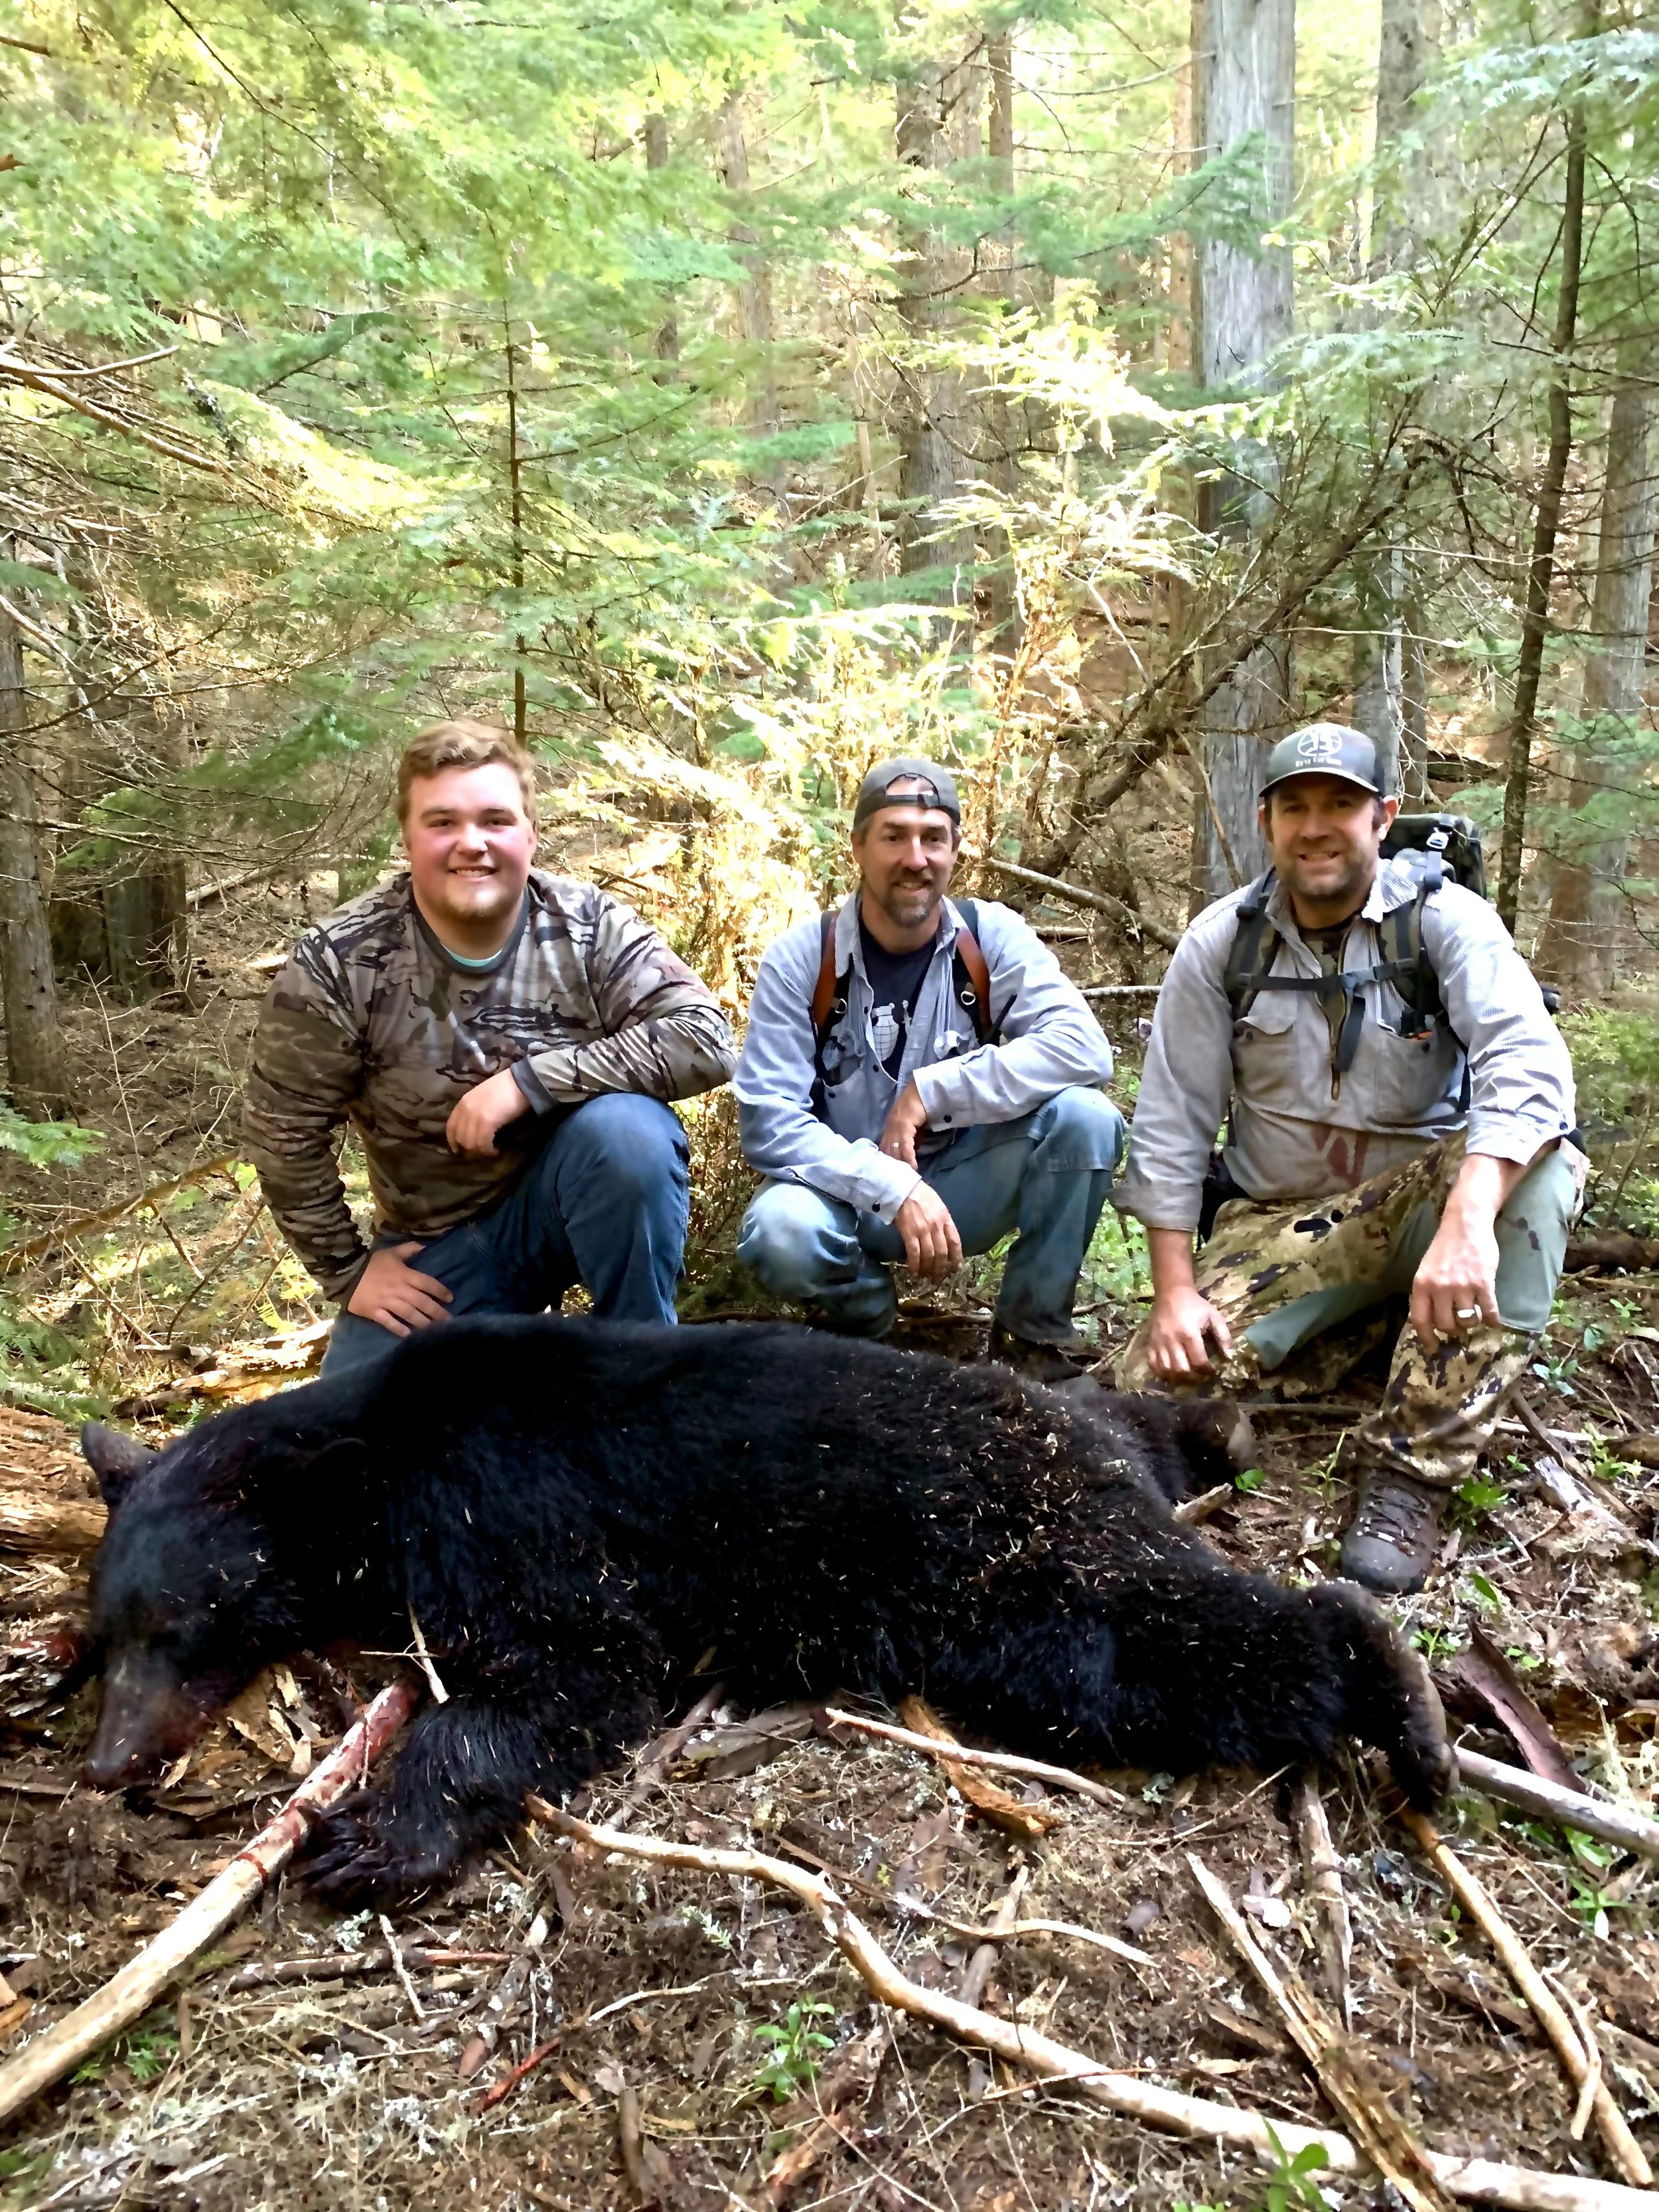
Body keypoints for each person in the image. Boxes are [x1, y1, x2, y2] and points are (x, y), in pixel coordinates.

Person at [1115, 721, 1582, 1594]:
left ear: (1383, 818)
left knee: (1548, 1170)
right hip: (1281, 1222)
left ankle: (1415, 1469)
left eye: (1342, 804)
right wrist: (1174, 1292)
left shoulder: (1444, 924)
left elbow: (1532, 1068)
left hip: (1424, 1212)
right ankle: (1361, 1330)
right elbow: (1172, 1122)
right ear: (1267, 823)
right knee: (1147, 1385)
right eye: (1296, 806)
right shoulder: (1224, 944)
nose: (1317, 826)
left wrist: (1469, 1218)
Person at [244, 719, 736, 1377]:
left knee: (629, 1136)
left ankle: (641, 1376)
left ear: (530, 836)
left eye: (495, 821)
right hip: (446, 1245)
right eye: (442, 822)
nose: (471, 844)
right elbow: (282, 1132)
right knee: (355, 1435)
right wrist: (350, 1274)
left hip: (583, 1196)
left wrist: (528, 1083)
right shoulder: (342, 960)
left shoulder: (588, 927)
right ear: (408, 839)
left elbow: (704, 1037)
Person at [733, 757, 1123, 1380]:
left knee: (1086, 1119)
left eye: (933, 838)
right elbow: (770, 1122)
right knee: (781, 1230)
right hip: (846, 1199)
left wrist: (934, 1089)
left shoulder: (989, 937)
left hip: (963, 1184)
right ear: (859, 845)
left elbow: (1083, 1047)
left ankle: (1033, 1339)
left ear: (954, 849)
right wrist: (894, 1186)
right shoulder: (805, 958)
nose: (915, 858)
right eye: (894, 836)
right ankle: (868, 1327)